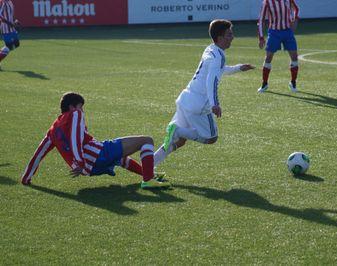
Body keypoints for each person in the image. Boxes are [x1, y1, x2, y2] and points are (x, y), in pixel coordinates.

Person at [153, 19, 255, 168]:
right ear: (220, 37)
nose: (232, 37)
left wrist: (238, 68)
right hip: (199, 105)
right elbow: (211, 80)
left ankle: (148, 169)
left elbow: (217, 70)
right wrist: (215, 104)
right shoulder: (219, 56)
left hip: (186, 99)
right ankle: (178, 130)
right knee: (211, 138)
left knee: (178, 142)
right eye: (229, 34)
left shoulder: (210, 49)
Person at [21, 92, 170, 189]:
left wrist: (26, 177)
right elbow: (75, 139)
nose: (82, 110)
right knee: (147, 140)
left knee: (121, 157)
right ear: (72, 107)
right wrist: (79, 161)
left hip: (88, 169)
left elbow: (39, 153)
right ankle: (148, 180)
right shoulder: (75, 115)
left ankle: (149, 174)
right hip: (96, 156)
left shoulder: (53, 129)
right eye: (81, 107)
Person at [257, 0, 300, 93]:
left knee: (294, 57)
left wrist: (294, 18)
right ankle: (264, 84)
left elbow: (296, 8)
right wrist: (261, 37)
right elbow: (261, 19)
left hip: (287, 31)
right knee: (268, 57)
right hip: (274, 32)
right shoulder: (267, 2)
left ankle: (293, 82)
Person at [0, 0, 20, 69]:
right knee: (9, 46)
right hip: (6, 28)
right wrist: (11, 24)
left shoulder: (10, 2)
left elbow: (11, 13)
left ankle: (1, 53)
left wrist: (15, 20)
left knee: (17, 44)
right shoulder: (2, 2)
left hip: (12, 28)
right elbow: (0, 17)